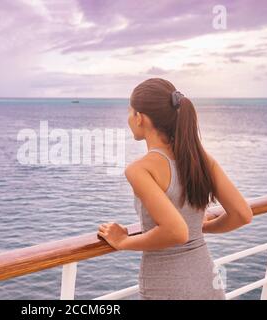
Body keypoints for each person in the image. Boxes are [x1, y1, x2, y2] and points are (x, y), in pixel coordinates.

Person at [97, 78, 253, 300]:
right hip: (208, 281)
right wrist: (200, 227)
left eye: (130, 111)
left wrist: (123, 242)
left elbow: (176, 231)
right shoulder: (200, 158)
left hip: (168, 288)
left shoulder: (139, 169)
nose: (129, 118)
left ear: (139, 118)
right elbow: (242, 214)